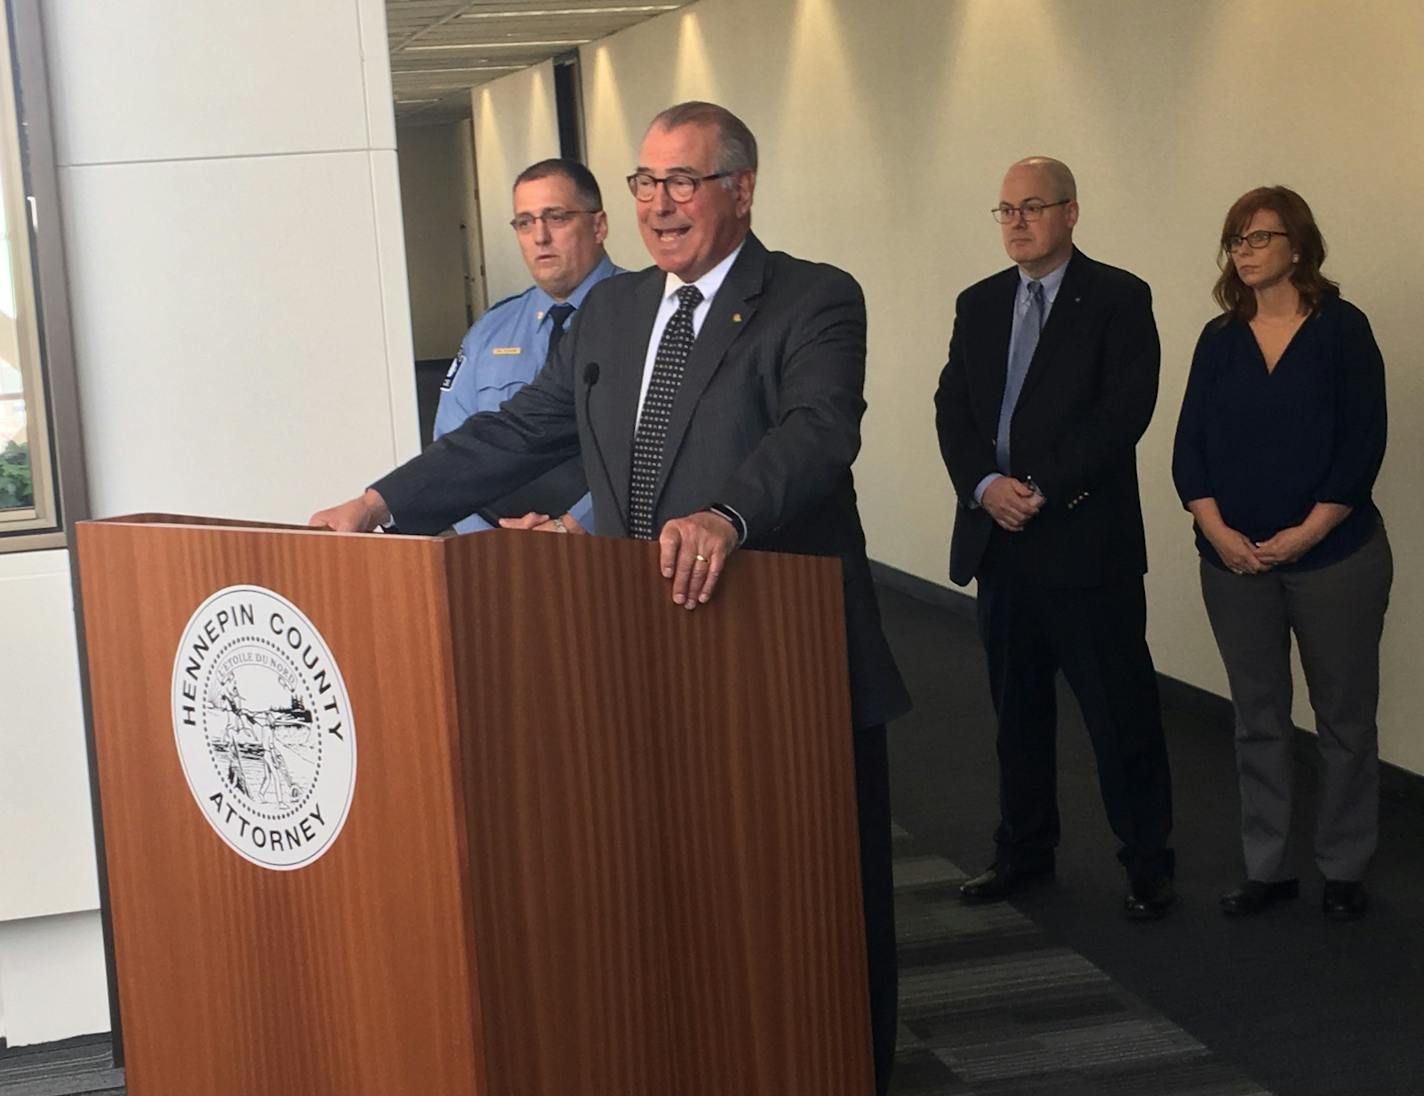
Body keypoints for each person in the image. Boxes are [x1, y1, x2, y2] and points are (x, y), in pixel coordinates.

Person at [312, 101, 910, 1094]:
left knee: (824, 906)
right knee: (685, 893)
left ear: (741, 190)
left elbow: (815, 433)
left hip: (784, 660)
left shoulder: (811, 300)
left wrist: (728, 513)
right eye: (643, 182)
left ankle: (850, 1072)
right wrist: (379, 503)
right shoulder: (615, 311)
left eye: (683, 181)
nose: (658, 203)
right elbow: (514, 433)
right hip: (646, 656)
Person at [934, 156, 1175, 920]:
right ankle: (1024, 852)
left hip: (1083, 542)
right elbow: (953, 410)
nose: (1016, 222)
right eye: (1005, 210)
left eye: (1033, 207)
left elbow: (1122, 413)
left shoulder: (1118, 298)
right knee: (1018, 716)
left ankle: (1148, 862)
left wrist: (1038, 489)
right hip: (999, 542)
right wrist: (984, 487)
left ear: (1071, 212)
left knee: (1118, 712)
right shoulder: (978, 304)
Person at [1171, 186, 1389, 921]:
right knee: (1257, 716)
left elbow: (1362, 446)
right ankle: (1267, 865)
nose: (1246, 250)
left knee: (1345, 719)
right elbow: (1189, 450)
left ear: (1298, 245)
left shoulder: (1342, 330)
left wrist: (1309, 531)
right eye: (1236, 238)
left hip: (1335, 559)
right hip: (1234, 563)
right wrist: (1218, 531)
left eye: (1260, 237)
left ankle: (1345, 864)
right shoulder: (1219, 338)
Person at [435, 158, 623, 533]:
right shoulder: (490, 331)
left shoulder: (644, 313)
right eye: (525, 222)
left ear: (598, 225)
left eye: (556, 218)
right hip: (499, 556)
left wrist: (573, 527)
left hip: (618, 552)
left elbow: (658, 453)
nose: (540, 237)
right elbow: (453, 449)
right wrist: (494, 542)